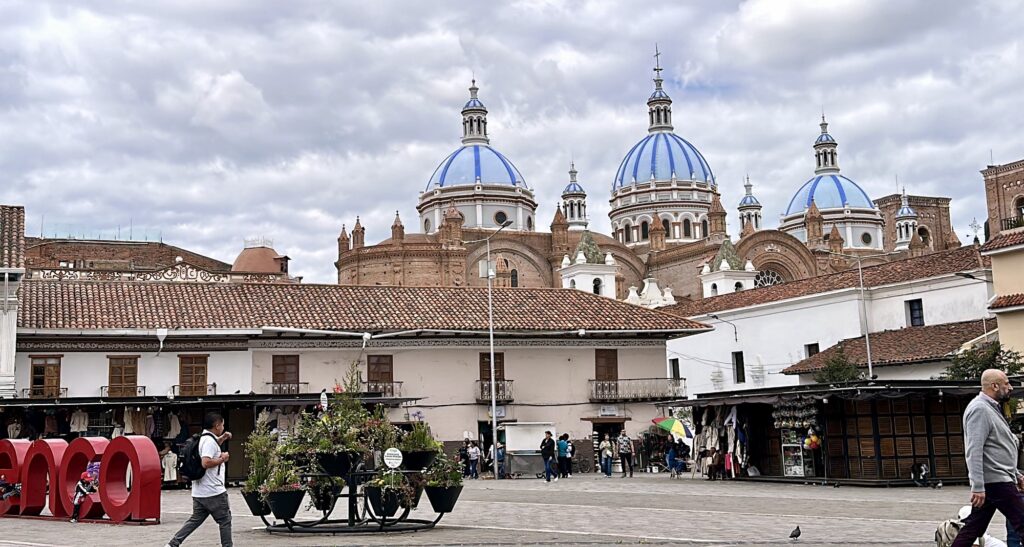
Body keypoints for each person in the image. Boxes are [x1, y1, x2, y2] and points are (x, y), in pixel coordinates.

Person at [950, 369, 1024, 547]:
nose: (1010, 387)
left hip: (996, 479)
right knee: (1022, 521)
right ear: (994, 386)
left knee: (974, 528)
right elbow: (974, 450)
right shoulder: (979, 409)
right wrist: (977, 486)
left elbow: (998, 448)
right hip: (996, 481)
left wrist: (1016, 474)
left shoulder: (992, 408)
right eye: (1006, 383)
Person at [166, 412, 233, 547]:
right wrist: (222, 459)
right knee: (225, 520)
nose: (223, 428)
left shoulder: (203, 438)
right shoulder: (209, 441)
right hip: (213, 491)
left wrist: (222, 438)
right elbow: (206, 462)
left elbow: (211, 447)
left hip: (199, 491)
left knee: (195, 520)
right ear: (217, 425)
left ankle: (173, 544)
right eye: (222, 425)